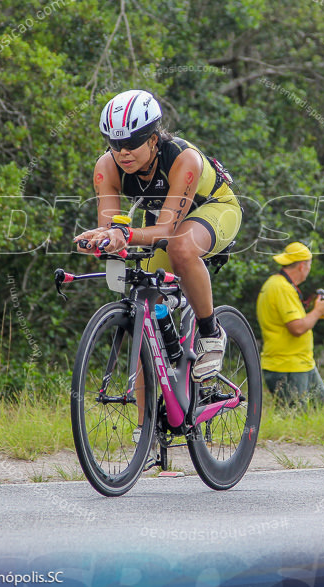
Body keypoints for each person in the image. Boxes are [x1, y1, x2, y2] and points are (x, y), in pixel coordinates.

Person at [74, 89, 241, 381]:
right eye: (115, 143)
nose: (123, 152)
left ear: (153, 138)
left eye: (132, 142)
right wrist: (100, 238)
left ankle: (210, 332)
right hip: (164, 217)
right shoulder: (106, 167)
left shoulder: (182, 158)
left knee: (181, 248)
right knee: (145, 325)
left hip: (215, 208)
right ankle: (145, 427)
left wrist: (121, 234)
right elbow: (111, 226)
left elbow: (166, 231)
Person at [256, 242, 324, 409]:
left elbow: (295, 322)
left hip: (302, 363)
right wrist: (317, 311)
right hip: (288, 366)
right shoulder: (281, 288)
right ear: (302, 266)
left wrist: (317, 313)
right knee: (293, 421)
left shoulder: (279, 285)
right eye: (309, 265)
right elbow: (297, 328)